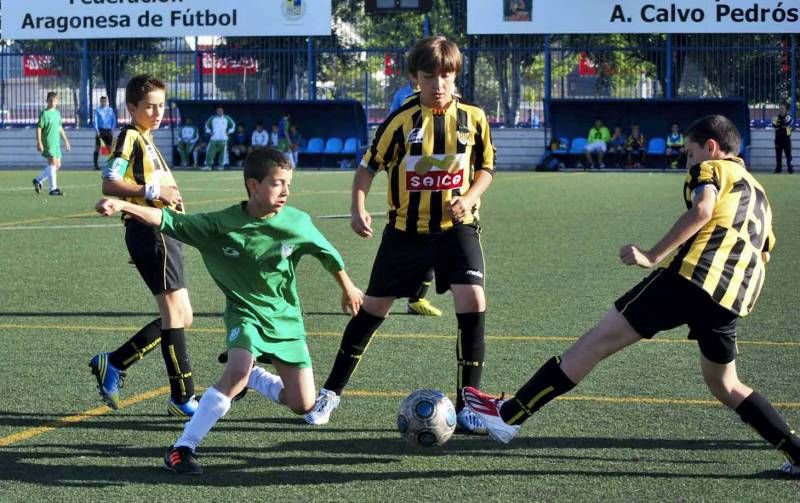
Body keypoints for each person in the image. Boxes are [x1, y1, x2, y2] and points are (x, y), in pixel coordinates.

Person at [463, 115, 800, 478]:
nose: (688, 162)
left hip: (692, 277)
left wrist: (652, 255)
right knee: (726, 384)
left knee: (595, 342)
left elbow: (702, 209)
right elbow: (763, 251)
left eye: (689, 154)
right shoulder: (761, 195)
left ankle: (508, 416)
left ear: (712, 148)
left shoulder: (712, 169)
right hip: (731, 295)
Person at [95, 148, 364, 474]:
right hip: (244, 313)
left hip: (285, 318)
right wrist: (124, 205)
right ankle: (183, 447)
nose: (285, 192)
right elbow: (168, 220)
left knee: (302, 403)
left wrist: (348, 287)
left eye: (288, 184)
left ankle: (257, 378)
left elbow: (328, 254)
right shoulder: (220, 225)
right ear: (253, 185)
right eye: (277, 184)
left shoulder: (297, 222)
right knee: (235, 371)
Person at [304, 36, 496, 434]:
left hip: (455, 229)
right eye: (430, 76)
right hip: (405, 233)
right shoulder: (400, 121)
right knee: (372, 310)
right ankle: (330, 394)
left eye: (446, 75)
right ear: (414, 78)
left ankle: (469, 405)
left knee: (473, 299)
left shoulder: (474, 118)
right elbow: (367, 168)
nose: (439, 84)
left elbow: (486, 169)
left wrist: (470, 196)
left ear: (455, 75)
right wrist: (358, 206)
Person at [90, 74, 198, 418]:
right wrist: (154, 193)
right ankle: (183, 398)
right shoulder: (131, 137)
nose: (157, 112)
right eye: (149, 106)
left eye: (161, 105)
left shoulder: (146, 138)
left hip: (161, 233)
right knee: (174, 316)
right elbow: (110, 181)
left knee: (184, 317)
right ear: (131, 107)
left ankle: (115, 362)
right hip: (151, 233)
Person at [389, 79, 443, 316]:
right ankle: (383, 297)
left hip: (436, 174)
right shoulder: (404, 96)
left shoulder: (445, 95)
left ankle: (416, 297)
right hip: (411, 176)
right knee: (408, 245)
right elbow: (392, 126)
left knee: (435, 242)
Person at [33, 91, 71, 196]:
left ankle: (38, 180)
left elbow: (60, 128)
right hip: (48, 143)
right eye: (50, 100)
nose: (52, 103)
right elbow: (39, 128)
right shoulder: (44, 113)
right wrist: (39, 142)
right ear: (47, 101)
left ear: (57, 102)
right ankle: (53, 189)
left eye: (54, 101)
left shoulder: (57, 113)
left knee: (57, 165)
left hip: (56, 143)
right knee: (52, 163)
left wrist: (66, 141)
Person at [204, 105, 235, 171]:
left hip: (224, 139)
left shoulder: (227, 118)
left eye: (221, 110)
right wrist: (210, 132)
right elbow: (206, 125)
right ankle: (208, 166)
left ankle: (221, 166)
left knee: (223, 153)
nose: (219, 112)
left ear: (223, 111)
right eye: (218, 111)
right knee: (210, 152)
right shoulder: (212, 118)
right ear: (216, 111)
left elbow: (233, 126)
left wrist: (228, 132)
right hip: (214, 139)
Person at [93, 96, 117, 170]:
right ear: (100, 102)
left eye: (105, 101)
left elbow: (114, 120)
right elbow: (95, 121)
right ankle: (96, 165)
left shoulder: (110, 110)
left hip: (108, 131)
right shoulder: (97, 110)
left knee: (110, 149)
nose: (103, 103)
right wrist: (97, 131)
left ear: (107, 102)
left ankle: (111, 164)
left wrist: (112, 130)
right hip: (100, 131)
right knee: (97, 148)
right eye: (102, 101)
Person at [772, 103, 793, 174]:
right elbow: (774, 125)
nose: (781, 110)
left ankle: (790, 169)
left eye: (783, 109)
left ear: (786, 110)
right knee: (778, 155)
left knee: (788, 155)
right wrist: (782, 125)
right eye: (780, 109)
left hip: (786, 139)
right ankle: (778, 169)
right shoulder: (775, 118)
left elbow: (787, 123)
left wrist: (780, 125)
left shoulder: (789, 117)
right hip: (778, 139)